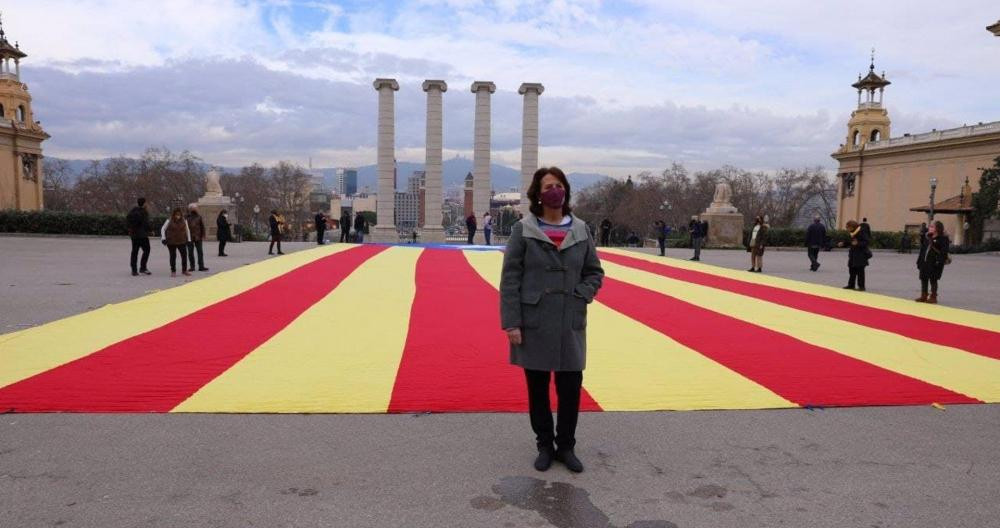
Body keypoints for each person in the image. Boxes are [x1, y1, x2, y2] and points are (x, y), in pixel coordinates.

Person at [500, 166, 604, 474]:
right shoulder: (524, 229)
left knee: (571, 385)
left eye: (559, 185)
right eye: (549, 186)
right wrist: (511, 322)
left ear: (566, 191)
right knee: (538, 386)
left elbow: (594, 272)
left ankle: (566, 446)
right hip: (535, 319)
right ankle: (544, 444)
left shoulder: (582, 229)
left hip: (570, 319)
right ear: (538, 193)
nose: (555, 190)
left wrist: (582, 293)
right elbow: (510, 280)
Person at [916, 220, 950, 304]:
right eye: (930, 226)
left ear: (937, 228)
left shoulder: (943, 239)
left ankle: (933, 297)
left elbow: (944, 252)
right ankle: (924, 295)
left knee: (933, 279)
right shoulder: (927, 237)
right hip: (925, 261)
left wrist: (939, 261)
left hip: (935, 262)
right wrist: (919, 261)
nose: (929, 228)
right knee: (923, 278)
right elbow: (922, 250)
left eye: (932, 226)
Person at [160, 207, 191, 277]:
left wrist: (189, 240)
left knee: (184, 256)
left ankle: (184, 270)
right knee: (173, 256)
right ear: (174, 215)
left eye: (179, 215)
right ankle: (173, 271)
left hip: (182, 240)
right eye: (176, 215)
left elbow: (187, 230)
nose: (178, 216)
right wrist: (163, 238)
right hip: (171, 241)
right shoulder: (169, 220)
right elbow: (163, 229)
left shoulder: (184, 220)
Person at [126, 197, 152, 276]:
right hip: (142, 235)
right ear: (144, 203)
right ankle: (143, 267)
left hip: (134, 235)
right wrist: (150, 230)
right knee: (147, 250)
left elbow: (127, 220)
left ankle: (134, 270)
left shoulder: (132, 211)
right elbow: (146, 223)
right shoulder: (143, 212)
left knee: (134, 252)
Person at [844, 219, 870, 291]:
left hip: (861, 255)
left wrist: (858, 244)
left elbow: (866, 242)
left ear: (852, 227)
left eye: (847, 227)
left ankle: (861, 287)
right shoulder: (852, 233)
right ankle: (851, 285)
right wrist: (844, 243)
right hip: (853, 255)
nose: (847, 229)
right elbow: (851, 242)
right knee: (851, 270)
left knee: (860, 271)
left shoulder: (861, 232)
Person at [185, 204, 209, 271]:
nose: (196, 209)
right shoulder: (186, 217)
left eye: (196, 208)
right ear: (190, 209)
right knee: (190, 252)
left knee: (200, 252)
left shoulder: (199, 217)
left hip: (198, 236)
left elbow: (202, 226)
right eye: (194, 208)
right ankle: (192, 266)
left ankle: (201, 266)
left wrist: (203, 235)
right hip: (189, 237)